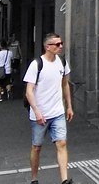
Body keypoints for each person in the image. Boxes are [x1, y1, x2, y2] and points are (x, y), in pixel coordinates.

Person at [25, 32, 74, 184]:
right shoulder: (36, 64)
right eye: (57, 44)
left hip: (57, 112)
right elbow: (29, 91)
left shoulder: (62, 62)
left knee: (62, 143)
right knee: (36, 147)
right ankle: (34, 178)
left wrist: (69, 106)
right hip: (40, 115)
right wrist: (37, 111)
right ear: (47, 47)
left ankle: (64, 180)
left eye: (61, 43)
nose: (60, 47)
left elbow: (65, 84)